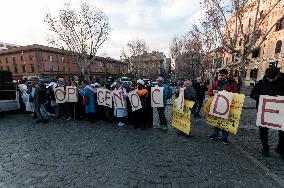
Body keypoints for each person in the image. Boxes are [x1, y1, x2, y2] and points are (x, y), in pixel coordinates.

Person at [250, 67, 284, 159]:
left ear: (277, 75)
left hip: (280, 111)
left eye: (273, 78)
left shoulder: (283, 82)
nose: (270, 80)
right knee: (263, 130)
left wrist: (279, 97)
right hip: (264, 112)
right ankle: (265, 146)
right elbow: (252, 94)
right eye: (269, 78)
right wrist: (262, 97)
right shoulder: (261, 82)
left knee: (282, 131)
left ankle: (281, 148)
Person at [208, 69, 238, 145]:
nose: (221, 76)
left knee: (225, 122)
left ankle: (224, 137)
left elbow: (236, 94)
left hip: (227, 105)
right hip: (217, 104)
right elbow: (210, 92)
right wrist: (212, 92)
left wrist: (228, 94)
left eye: (222, 75)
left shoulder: (231, 83)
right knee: (216, 120)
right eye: (220, 75)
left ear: (226, 75)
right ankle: (215, 134)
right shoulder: (216, 83)